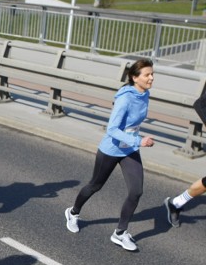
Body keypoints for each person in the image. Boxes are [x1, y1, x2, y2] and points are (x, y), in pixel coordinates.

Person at [64, 59, 155, 251]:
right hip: (112, 149)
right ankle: (73, 212)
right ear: (134, 77)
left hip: (129, 149)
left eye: (152, 74)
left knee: (136, 191)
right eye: (147, 75)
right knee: (95, 185)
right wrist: (139, 140)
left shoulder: (144, 94)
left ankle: (120, 233)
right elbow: (112, 129)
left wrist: (134, 141)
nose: (151, 78)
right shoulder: (125, 98)